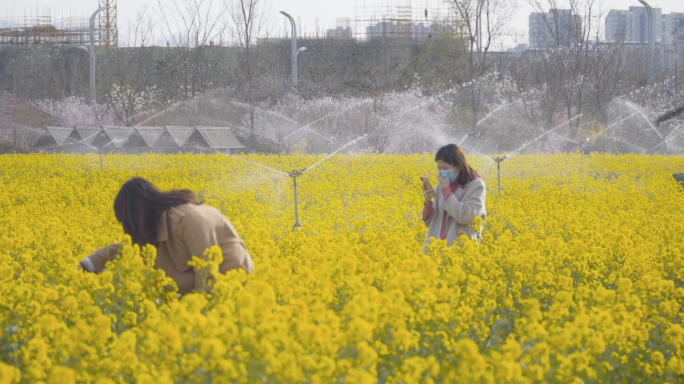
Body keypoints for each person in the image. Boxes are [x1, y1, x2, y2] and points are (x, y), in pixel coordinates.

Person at [78, 177, 254, 294]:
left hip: (232, 289)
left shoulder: (188, 220)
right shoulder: (155, 228)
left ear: (137, 214)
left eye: (127, 222)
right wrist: (86, 266)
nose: (128, 230)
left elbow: (208, 272)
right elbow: (128, 250)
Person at [420, 144, 486, 253]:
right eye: (439, 168)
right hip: (435, 251)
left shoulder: (476, 186)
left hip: (458, 251)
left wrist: (446, 190)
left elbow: (465, 217)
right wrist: (428, 202)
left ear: (458, 166)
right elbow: (431, 224)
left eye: (445, 168)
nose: (441, 172)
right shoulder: (439, 187)